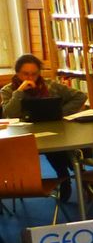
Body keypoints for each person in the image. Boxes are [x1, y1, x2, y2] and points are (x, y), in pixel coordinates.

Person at [1, 54, 86, 201]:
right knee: (57, 151)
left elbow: (80, 96)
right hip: (23, 135)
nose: (30, 78)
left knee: (57, 146)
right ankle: (69, 175)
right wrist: (19, 92)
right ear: (17, 73)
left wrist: (60, 112)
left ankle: (69, 176)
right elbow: (9, 114)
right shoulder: (8, 91)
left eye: (34, 74)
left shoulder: (50, 86)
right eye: (25, 74)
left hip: (52, 131)